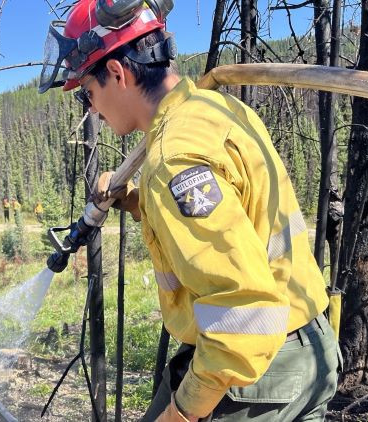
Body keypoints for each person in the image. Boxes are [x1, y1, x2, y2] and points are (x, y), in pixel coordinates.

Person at [38, 1, 337, 421]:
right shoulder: (214, 111)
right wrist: (138, 201)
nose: (92, 110)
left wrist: (183, 412)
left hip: (256, 370)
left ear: (118, 74)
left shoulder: (175, 158)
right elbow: (235, 216)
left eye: (89, 93)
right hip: (306, 346)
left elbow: (244, 308)